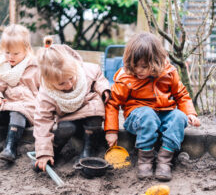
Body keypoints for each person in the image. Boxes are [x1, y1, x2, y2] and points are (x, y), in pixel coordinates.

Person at [104, 32, 201, 181]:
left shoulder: (169, 73)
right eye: (135, 66)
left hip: (163, 114)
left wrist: (190, 113)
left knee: (179, 117)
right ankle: (145, 160)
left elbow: (181, 94)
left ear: (156, 61)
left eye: (144, 66)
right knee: (148, 115)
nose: (138, 70)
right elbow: (112, 102)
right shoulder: (126, 78)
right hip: (137, 117)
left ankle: (164, 159)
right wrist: (111, 130)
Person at [34, 36, 110, 171]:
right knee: (67, 128)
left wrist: (103, 89)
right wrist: (43, 152)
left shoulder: (85, 70)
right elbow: (42, 121)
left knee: (96, 109)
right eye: (61, 83)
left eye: (71, 78)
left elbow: (98, 76)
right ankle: (53, 152)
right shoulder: (46, 94)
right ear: (49, 82)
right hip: (67, 117)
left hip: (87, 107)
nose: (68, 85)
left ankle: (88, 149)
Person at [0, 24, 40, 162]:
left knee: (17, 111)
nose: (10, 57)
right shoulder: (2, 66)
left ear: (27, 49)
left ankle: (10, 147)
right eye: (7, 52)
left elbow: (44, 88)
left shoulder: (34, 65)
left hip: (26, 108)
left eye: (16, 53)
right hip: (6, 106)